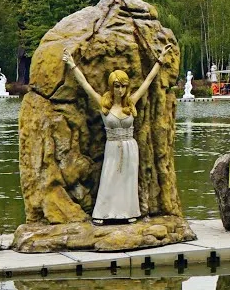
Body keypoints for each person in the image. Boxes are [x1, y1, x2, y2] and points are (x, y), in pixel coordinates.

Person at [63, 52, 161, 224]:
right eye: (117, 86)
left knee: (128, 180)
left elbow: (148, 81)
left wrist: (160, 59)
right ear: (111, 86)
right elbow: (85, 85)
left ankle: (129, 212)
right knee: (109, 178)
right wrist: (72, 64)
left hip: (130, 147)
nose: (120, 90)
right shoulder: (103, 104)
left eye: (123, 86)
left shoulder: (131, 102)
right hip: (113, 146)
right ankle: (102, 213)